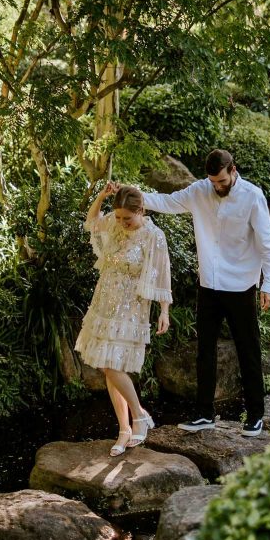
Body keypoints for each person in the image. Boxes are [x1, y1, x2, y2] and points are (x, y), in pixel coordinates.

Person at [137, 149, 270, 437]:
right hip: (209, 286)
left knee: (248, 351)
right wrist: (134, 195)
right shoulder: (200, 191)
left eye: (222, 181)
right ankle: (204, 413)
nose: (217, 186)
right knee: (205, 352)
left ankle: (255, 415)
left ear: (233, 170)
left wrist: (269, 284)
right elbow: (167, 201)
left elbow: (268, 243)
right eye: (213, 181)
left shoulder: (252, 196)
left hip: (241, 287)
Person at [75, 182, 173, 456]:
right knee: (107, 366)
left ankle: (139, 416)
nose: (121, 223)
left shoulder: (154, 236)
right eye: (118, 217)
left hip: (131, 304)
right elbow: (91, 223)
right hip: (105, 299)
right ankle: (125, 428)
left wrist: (164, 310)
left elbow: (163, 273)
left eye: (127, 218)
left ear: (140, 210)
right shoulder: (114, 224)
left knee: (112, 363)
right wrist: (101, 197)